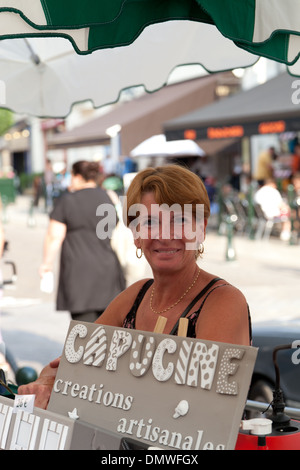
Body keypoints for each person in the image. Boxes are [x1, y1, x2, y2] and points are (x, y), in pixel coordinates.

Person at [19, 164, 251, 408]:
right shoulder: (135, 297)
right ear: (136, 235)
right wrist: (44, 382)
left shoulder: (222, 301)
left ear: (201, 229)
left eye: (179, 220)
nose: (164, 234)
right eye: (150, 222)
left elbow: (212, 407)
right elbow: (62, 365)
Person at [39, 160, 126, 323]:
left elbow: (54, 236)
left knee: (85, 334)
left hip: (79, 273)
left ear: (78, 177)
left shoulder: (68, 201)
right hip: (108, 270)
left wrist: (46, 265)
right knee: (110, 330)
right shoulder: (108, 197)